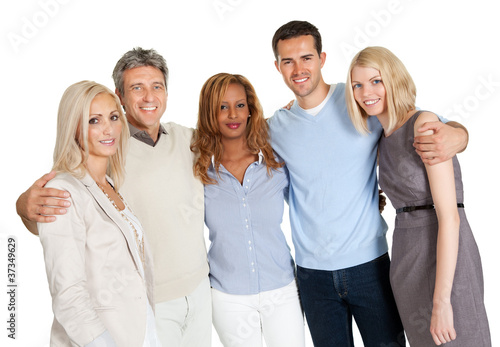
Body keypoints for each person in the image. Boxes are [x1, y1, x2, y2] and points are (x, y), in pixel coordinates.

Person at [267, 20, 470, 346]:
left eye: (306, 58)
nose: (298, 69)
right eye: (287, 61)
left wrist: (460, 134)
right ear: (277, 67)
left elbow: (420, 121)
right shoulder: (275, 127)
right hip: (312, 274)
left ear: (322, 58)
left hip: (370, 267)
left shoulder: (359, 100)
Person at [16, 48, 211, 347]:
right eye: (137, 88)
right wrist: (24, 207)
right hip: (146, 305)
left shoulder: (184, 139)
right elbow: (60, 218)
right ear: (121, 95)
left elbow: (234, 133)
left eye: (156, 86)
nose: (149, 97)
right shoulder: (107, 153)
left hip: (195, 291)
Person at [346, 46, 491, 346]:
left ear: (393, 79)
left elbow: (450, 218)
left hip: (446, 251)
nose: (366, 92)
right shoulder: (380, 138)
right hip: (406, 255)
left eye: (376, 81)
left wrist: (442, 301)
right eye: (357, 85)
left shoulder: (423, 124)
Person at [38, 80, 160, 346]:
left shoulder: (110, 184)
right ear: (74, 128)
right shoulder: (63, 190)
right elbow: (68, 294)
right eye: (94, 120)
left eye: (114, 117)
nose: (108, 129)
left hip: (139, 332)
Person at [190, 73, 305, 347]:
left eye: (240, 105)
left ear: (251, 109)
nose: (233, 114)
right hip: (228, 296)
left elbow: (313, 191)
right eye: (222, 107)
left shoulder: (275, 161)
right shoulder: (198, 168)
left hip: (282, 290)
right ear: (210, 112)